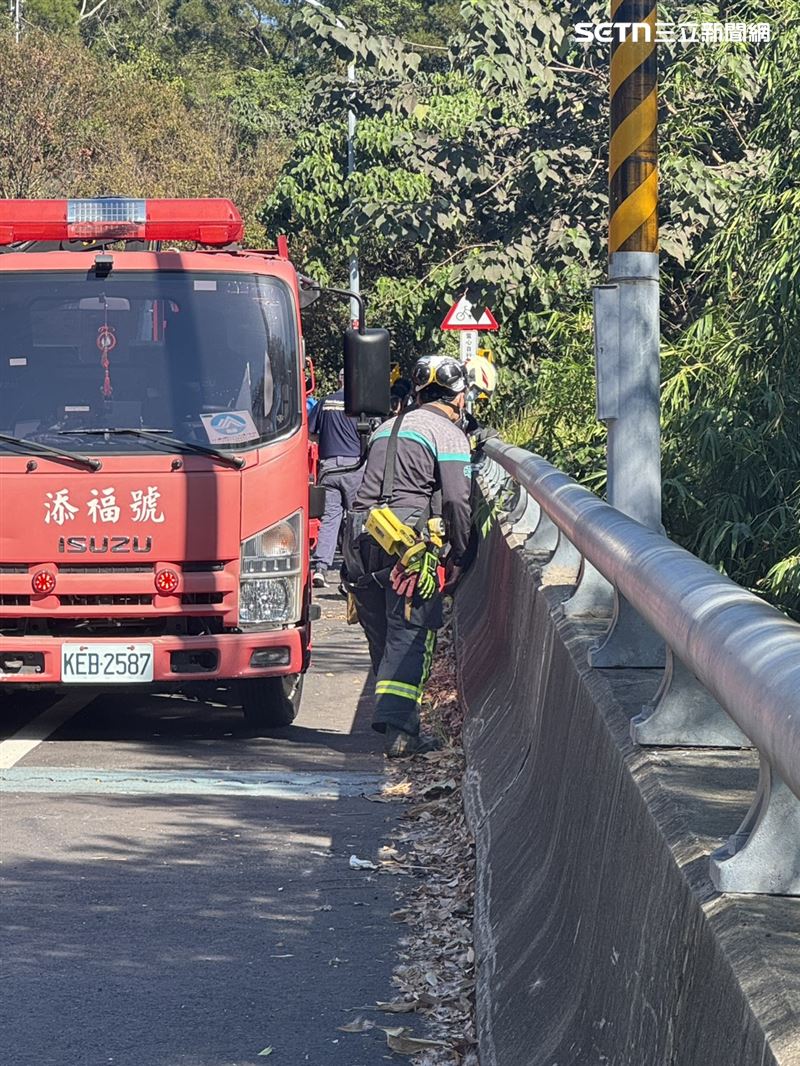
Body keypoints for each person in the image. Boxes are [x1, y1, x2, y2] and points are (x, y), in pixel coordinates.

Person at [345, 355, 473, 758]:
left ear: (418, 393)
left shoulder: (386, 427)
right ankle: (401, 732)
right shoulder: (448, 434)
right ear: (460, 397)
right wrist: (459, 554)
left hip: (362, 539)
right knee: (411, 630)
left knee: (382, 631)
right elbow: (457, 501)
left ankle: (391, 717)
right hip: (407, 544)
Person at [309, 369, 364, 588]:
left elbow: (311, 433)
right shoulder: (361, 405)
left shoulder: (324, 403)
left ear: (339, 380)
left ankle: (320, 568)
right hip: (354, 467)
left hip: (329, 468)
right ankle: (355, 571)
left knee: (330, 518)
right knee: (356, 519)